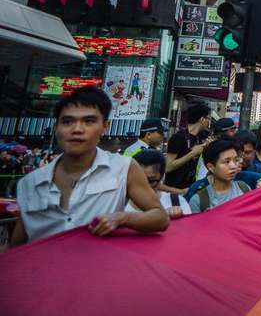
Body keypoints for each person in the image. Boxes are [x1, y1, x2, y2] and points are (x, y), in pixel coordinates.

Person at [11, 87, 169, 245]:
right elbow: (18, 246)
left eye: (89, 121)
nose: (77, 129)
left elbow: (160, 218)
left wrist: (122, 218)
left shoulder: (124, 168)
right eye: (67, 122)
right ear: (56, 127)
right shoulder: (29, 183)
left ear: (104, 127)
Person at [188, 140, 261, 213]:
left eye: (236, 160)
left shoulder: (244, 188)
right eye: (227, 161)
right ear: (211, 167)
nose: (233, 166)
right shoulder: (199, 200)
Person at [128, 149, 190, 218]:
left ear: (162, 177)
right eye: (138, 180)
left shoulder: (177, 202)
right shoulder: (119, 205)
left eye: (151, 181)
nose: (144, 187)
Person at [165, 103, 212, 189]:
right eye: (208, 118)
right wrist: (193, 153)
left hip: (191, 188)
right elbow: (168, 167)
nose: (209, 122)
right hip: (174, 189)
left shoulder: (201, 136)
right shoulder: (178, 137)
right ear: (202, 119)